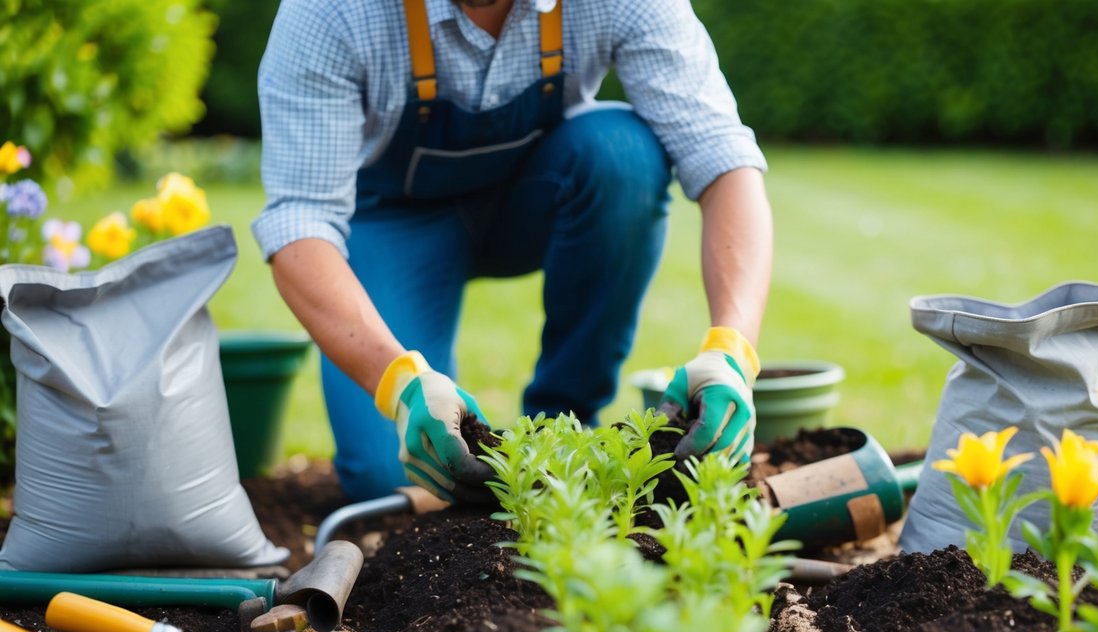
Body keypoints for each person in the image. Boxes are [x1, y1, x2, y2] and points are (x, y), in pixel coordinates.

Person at [253, 0, 773, 503]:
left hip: (535, 195)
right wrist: (401, 383)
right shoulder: (328, 11)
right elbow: (301, 225)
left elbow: (723, 158)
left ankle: (564, 429)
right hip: (395, 222)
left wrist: (731, 351)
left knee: (622, 155)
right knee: (399, 473)